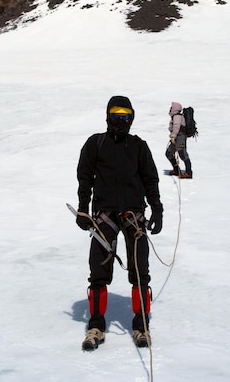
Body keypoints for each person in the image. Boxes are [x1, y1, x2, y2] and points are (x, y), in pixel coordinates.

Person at [75, 95, 163, 351]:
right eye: (116, 115)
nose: (120, 120)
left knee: (139, 271)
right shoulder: (96, 144)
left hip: (133, 214)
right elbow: (85, 177)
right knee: (98, 272)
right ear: (108, 116)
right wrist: (82, 208)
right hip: (104, 215)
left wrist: (156, 207)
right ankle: (96, 325)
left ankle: (141, 325)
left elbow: (150, 178)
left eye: (125, 116)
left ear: (131, 118)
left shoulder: (138, 146)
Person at [165, 101, 193, 178]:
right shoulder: (175, 116)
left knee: (182, 153)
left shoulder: (177, 116)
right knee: (169, 153)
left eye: (171, 107)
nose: (170, 109)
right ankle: (176, 170)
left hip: (180, 137)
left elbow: (176, 126)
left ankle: (188, 172)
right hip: (177, 137)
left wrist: (173, 136)